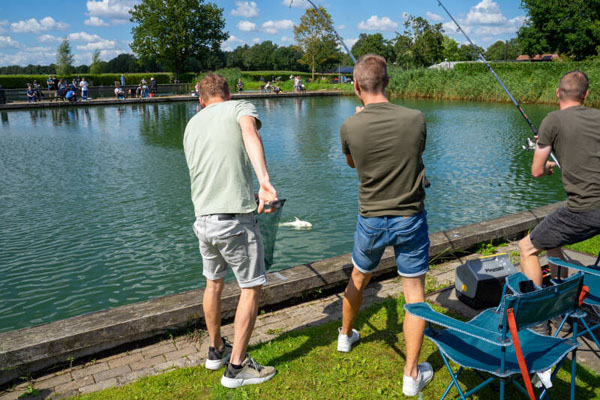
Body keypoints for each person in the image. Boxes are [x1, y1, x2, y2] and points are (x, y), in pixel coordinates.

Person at [338, 54, 433, 397]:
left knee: (359, 278)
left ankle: (345, 337)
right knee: (415, 295)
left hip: (371, 219)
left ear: (356, 86)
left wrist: (360, 121)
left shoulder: (349, 126)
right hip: (410, 218)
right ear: (388, 82)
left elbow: (353, 164)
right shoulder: (416, 118)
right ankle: (411, 376)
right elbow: (415, 154)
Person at [183, 73, 278, 389]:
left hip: (204, 221)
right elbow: (250, 131)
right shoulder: (240, 108)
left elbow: (212, 172)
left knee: (213, 283)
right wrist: (264, 182)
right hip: (234, 222)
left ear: (201, 99)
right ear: (227, 93)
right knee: (251, 288)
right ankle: (236, 368)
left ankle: (216, 350)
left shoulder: (192, 125)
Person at [519, 70, 600, 294]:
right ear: (586, 94)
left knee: (526, 248)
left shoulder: (552, 120)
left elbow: (537, 171)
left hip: (584, 210)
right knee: (551, 241)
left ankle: (537, 318)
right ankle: (559, 296)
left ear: (557, 93)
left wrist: (547, 166)